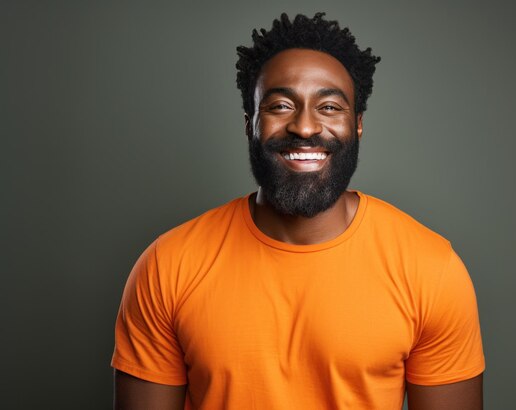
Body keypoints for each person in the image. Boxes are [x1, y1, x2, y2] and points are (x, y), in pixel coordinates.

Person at [112, 12, 485, 410]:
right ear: (249, 124)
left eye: (329, 107)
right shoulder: (167, 266)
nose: (305, 127)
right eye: (281, 105)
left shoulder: (431, 270)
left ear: (357, 124)